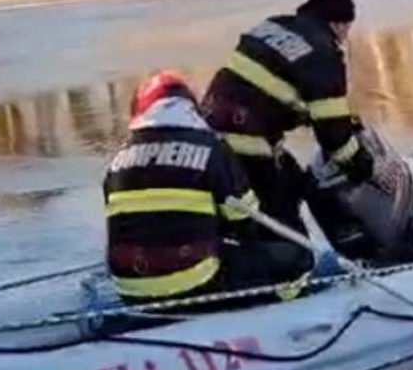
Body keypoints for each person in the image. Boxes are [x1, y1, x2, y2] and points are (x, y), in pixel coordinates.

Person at [104, 71, 312, 305]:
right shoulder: (211, 148)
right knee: (295, 256)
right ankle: (284, 311)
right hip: (196, 283)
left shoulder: (117, 161)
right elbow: (244, 219)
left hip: (129, 290)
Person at [201, 0, 374, 239]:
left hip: (209, 136)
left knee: (293, 180)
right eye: (347, 29)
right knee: (282, 225)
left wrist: (303, 114)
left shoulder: (272, 27)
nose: (345, 38)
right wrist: (358, 162)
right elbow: (334, 136)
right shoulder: (324, 53)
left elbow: (267, 88)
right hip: (249, 144)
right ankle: (289, 271)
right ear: (337, 24)